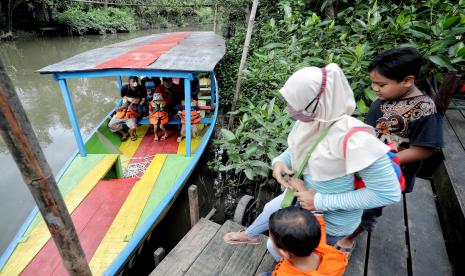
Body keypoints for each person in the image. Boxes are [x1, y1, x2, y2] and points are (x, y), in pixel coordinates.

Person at [223, 63, 401, 260]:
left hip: (330, 220)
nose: (291, 109)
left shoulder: (356, 140)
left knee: (281, 249)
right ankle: (250, 236)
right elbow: (298, 149)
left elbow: (388, 194)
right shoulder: (315, 119)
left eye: (296, 104)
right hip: (301, 199)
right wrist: (280, 162)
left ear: (318, 101)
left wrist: (318, 201)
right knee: (270, 209)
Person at [336, 47, 444, 252]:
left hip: (391, 173)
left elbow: (425, 149)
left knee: (370, 208)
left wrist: (388, 160)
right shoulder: (383, 98)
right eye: (373, 83)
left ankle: (350, 237)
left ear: (407, 81)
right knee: (351, 196)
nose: (374, 88)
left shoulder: (425, 110)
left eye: (381, 84)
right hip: (365, 164)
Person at [267, 207, 347, 276]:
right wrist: (316, 210)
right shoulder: (324, 250)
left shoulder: (282, 274)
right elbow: (320, 222)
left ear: (284, 252)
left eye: (271, 239)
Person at [108, 76, 144, 141]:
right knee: (111, 124)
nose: (135, 83)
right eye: (133, 82)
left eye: (136, 81)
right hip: (121, 113)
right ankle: (124, 133)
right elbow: (122, 100)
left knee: (133, 126)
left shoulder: (137, 96)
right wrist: (120, 108)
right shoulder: (124, 93)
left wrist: (124, 107)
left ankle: (132, 134)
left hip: (131, 115)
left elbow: (131, 106)